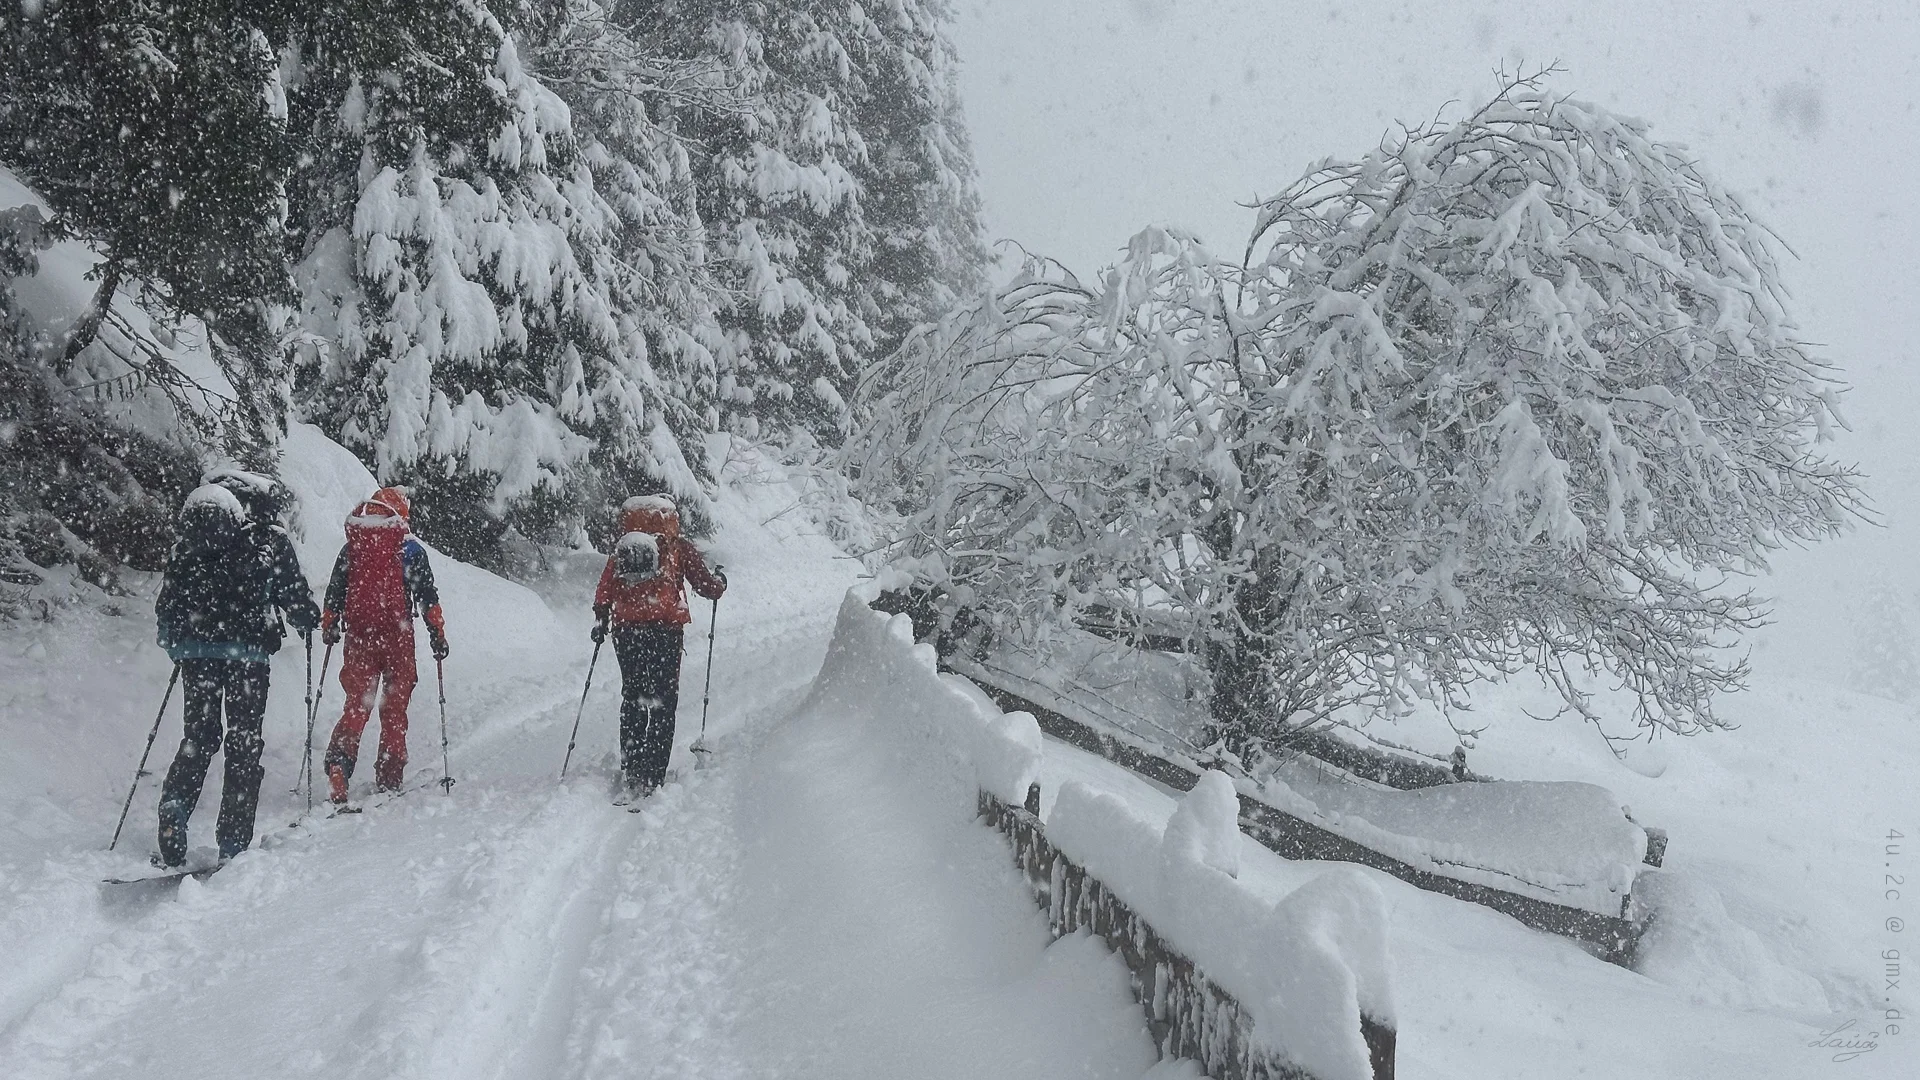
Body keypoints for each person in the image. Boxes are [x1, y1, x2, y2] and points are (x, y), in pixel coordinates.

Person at [153, 473, 319, 868]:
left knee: (199, 736)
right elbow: (293, 594)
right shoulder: (268, 541)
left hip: (197, 656)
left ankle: (175, 805)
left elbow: (168, 605)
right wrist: (308, 618)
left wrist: (180, 648)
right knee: (243, 742)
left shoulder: (188, 543)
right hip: (248, 657)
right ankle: (232, 841)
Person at [319, 487, 448, 803]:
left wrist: (329, 624)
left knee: (357, 705)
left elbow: (335, 591)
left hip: (359, 638)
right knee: (394, 708)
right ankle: (389, 776)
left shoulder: (353, 547)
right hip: (397, 638)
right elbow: (427, 596)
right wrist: (437, 634)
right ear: (400, 512)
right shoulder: (410, 550)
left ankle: (339, 764)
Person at [591, 495, 726, 797]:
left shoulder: (623, 548)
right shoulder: (677, 547)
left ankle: (632, 768)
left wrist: (601, 620)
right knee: (663, 703)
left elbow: (605, 588)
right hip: (665, 632)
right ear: (671, 518)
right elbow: (707, 587)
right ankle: (653, 775)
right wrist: (720, 582)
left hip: (627, 633)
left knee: (633, 697)